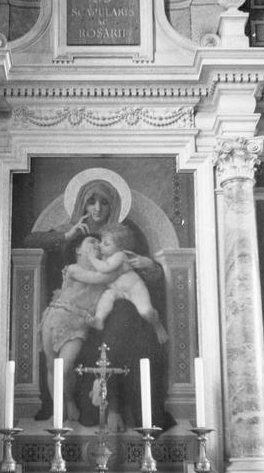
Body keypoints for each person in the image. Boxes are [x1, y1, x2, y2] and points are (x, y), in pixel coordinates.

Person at [24, 172, 175, 432]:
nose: (97, 208)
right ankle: (78, 403)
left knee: (125, 324)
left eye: (103, 202)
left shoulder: (124, 234)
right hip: (75, 310)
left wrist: (150, 265)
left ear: (112, 205)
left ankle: (116, 406)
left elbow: (140, 276)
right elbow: (29, 241)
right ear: (82, 203)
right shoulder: (72, 231)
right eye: (91, 201)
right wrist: (68, 235)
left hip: (110, 305)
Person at [40, 235, 118, 421]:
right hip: (54, 316)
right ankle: (58, 410)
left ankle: (68, 401)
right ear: (78, 250)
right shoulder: (74, 269)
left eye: (99, 244)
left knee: (65, 367)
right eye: (91, 242)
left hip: (77, 322)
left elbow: (107, 281)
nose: (97, 245)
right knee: (51, 365)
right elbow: (96, 277)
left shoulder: (106, 276)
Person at [87, 223, 169, 346]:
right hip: (118, 291)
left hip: (135, 290)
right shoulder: (106, 256)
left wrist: (92, 258)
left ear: (120, 247)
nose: (100, 245)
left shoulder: (119, 255)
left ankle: (157, 325)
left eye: (106, 244)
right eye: (101, 241)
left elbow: (105, 268)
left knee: (145, 312)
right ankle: (99, 319)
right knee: (107, 296)